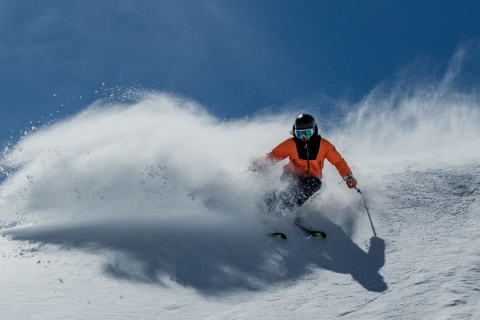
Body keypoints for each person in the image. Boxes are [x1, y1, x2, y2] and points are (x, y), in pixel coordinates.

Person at [251, 113, 357, 211]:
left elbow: (339, 162)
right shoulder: (290, 144)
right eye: (299, 133)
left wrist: (348, 176)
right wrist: (259, 164)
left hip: (311, 179)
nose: (303, 137)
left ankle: (288, 209)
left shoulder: (324, 145)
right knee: (287, 186)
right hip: (292, 174)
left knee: (315, 184)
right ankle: (267, 202)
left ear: (314, 130)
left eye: (307, 133)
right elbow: (273, 156)